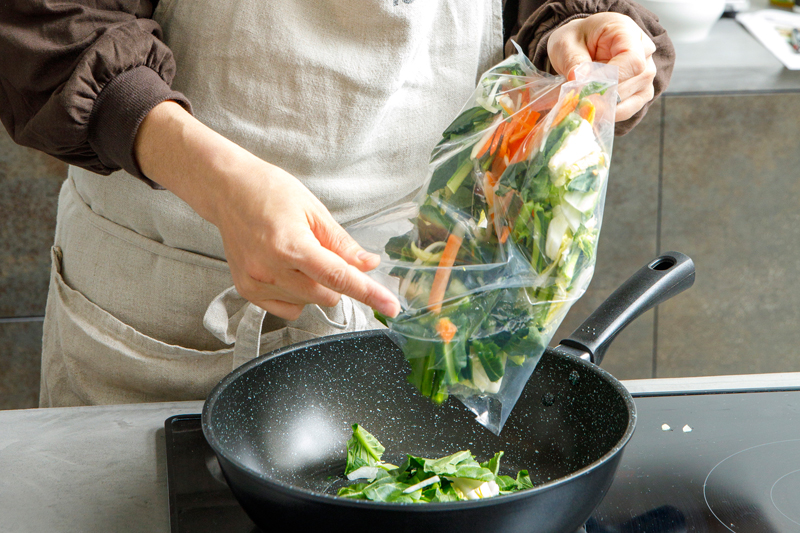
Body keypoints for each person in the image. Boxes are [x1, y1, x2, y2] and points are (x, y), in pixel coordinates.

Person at [0, 0, 674, 407]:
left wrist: (581, 26)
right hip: (171, 299)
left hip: (417, 303)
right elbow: (45, 19)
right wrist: (220, 184)